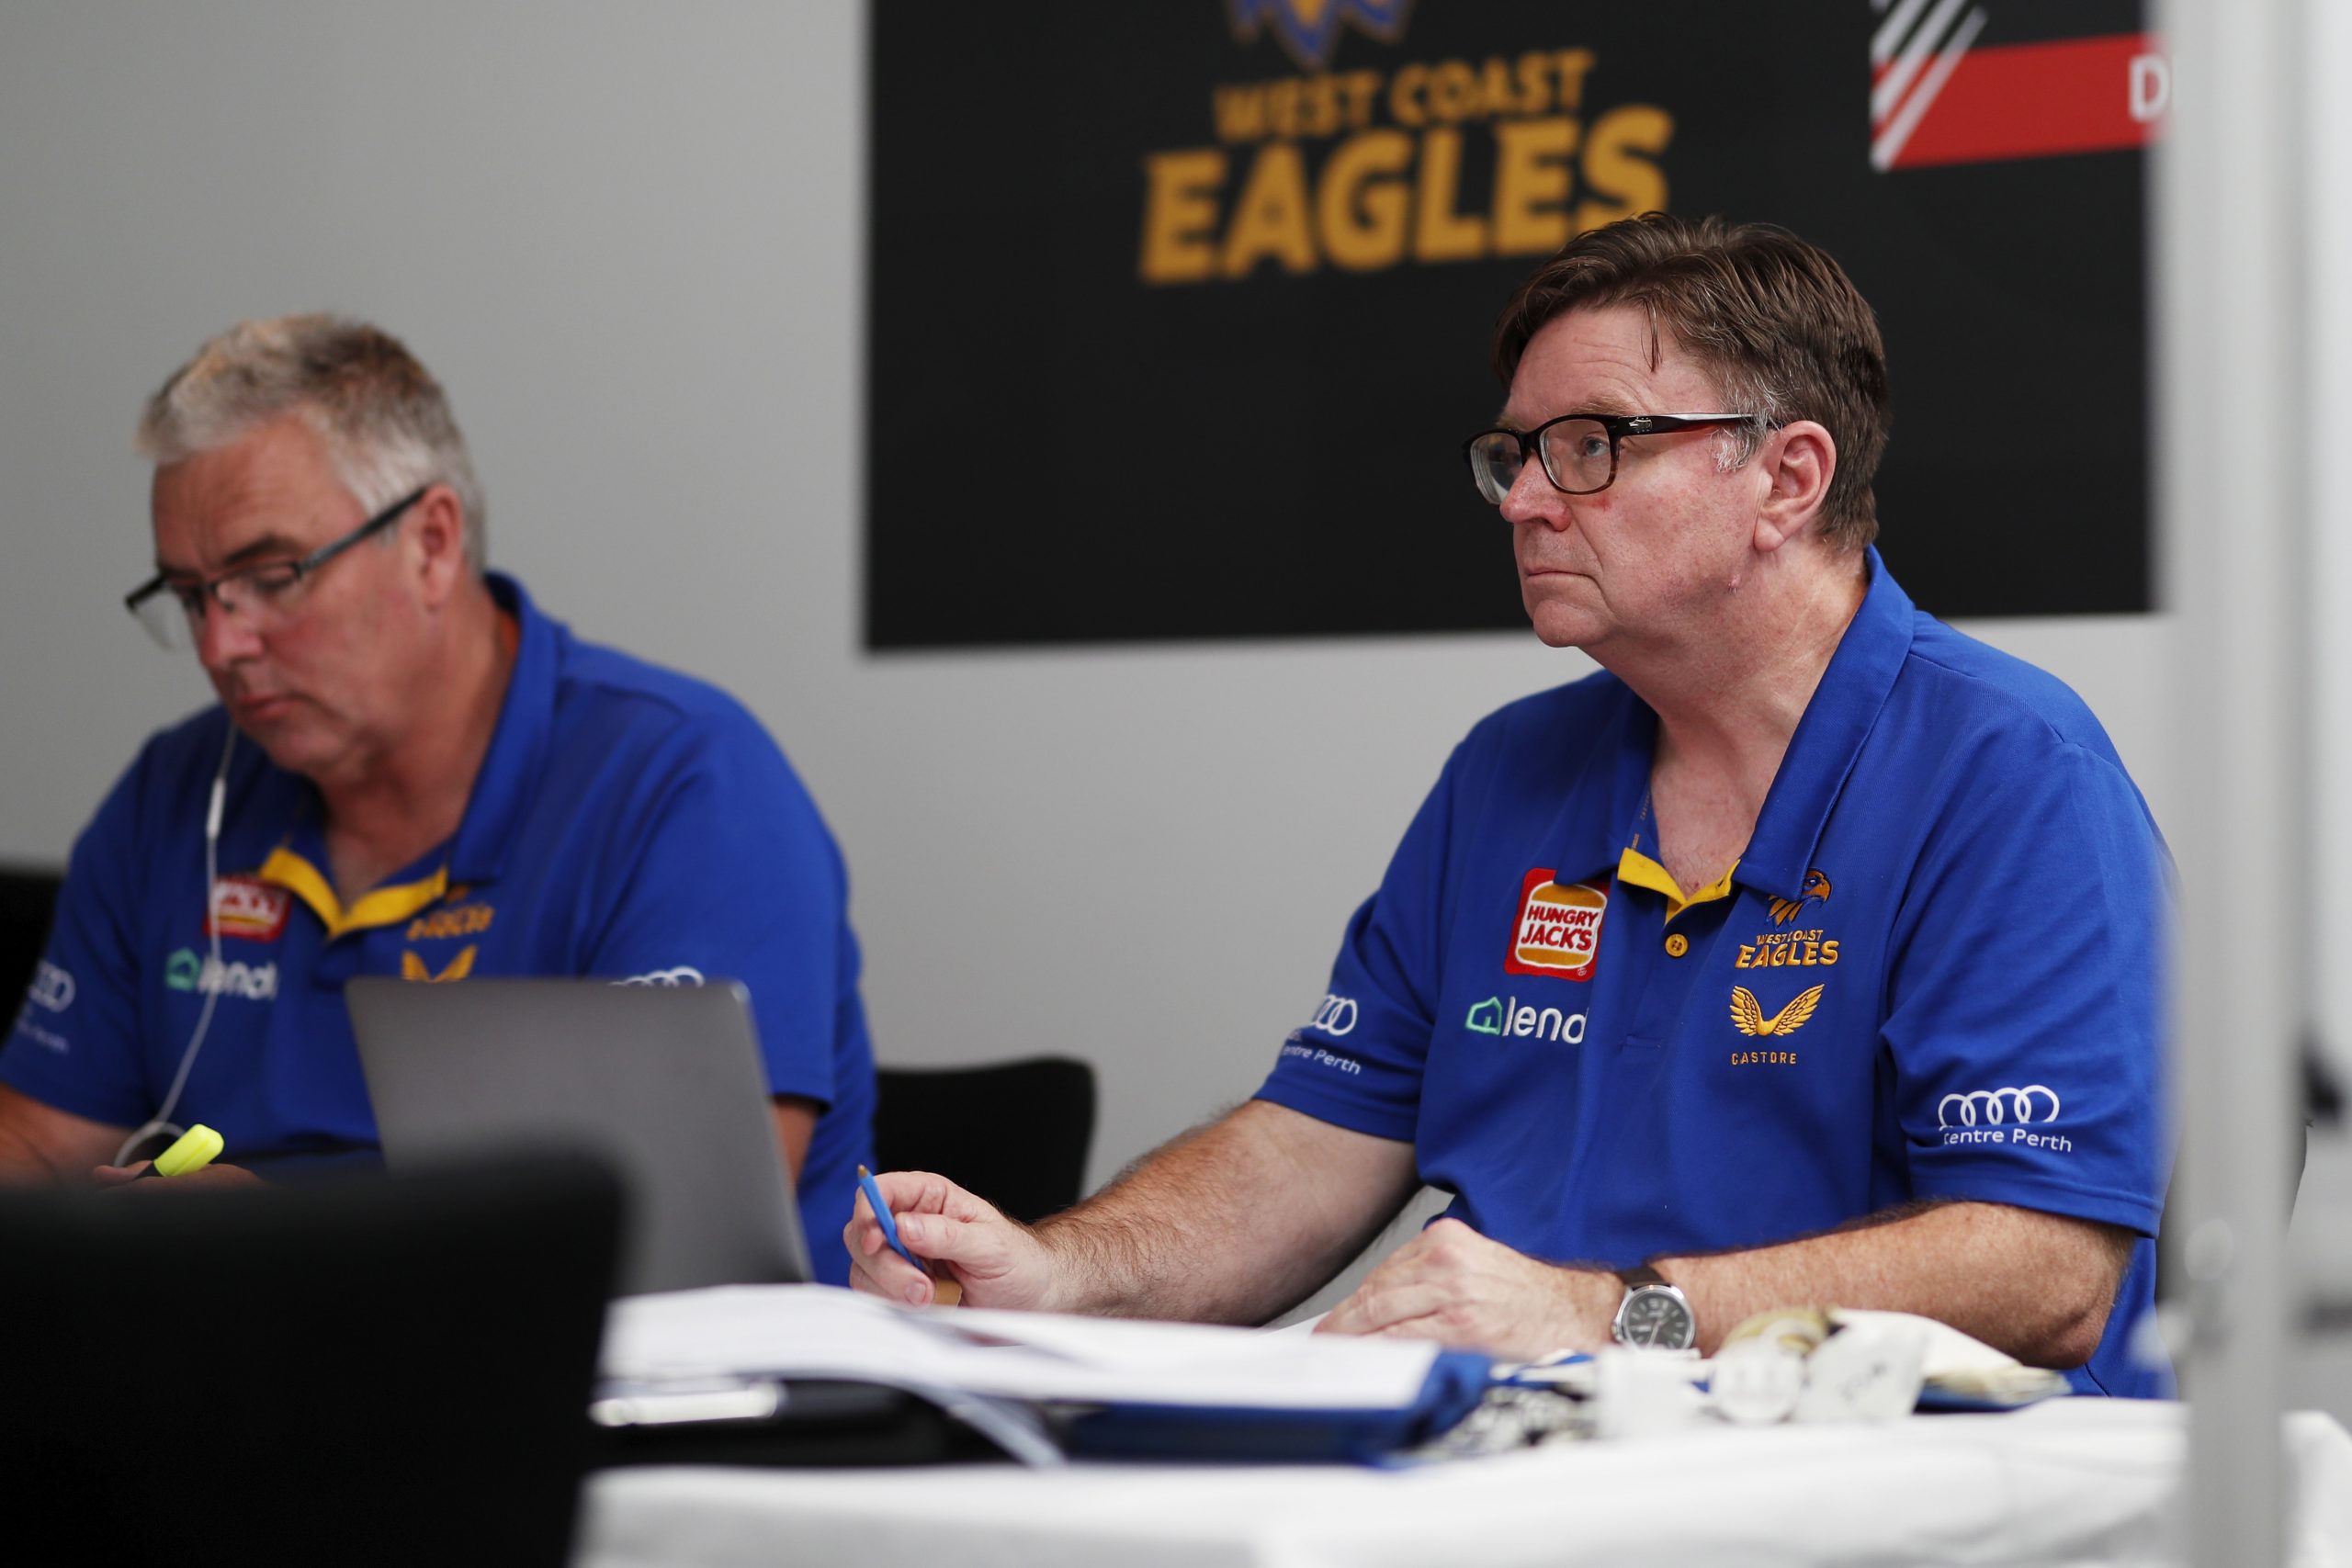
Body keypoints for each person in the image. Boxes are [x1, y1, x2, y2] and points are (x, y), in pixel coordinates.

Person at [850, 214, 2168, 1395]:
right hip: (1529, 1461)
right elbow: (1313, 1143)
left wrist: (1612, 1315)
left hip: (1887, 1488)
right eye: (1517, 454)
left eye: (1593, 446)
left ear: (1786, 478)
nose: (1527, 501)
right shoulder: (1511, 769)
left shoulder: (2009, 769)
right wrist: (1061, 1271)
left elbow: (2046, 1265)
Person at [0, 315, 877, 1285]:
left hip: (611, 1367)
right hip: (236, 1355)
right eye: (190, 594)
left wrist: (275, 1242)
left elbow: (677, 1228)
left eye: (268, 577)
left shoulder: (683, 783)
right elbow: (36, 1143)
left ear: (431, 543)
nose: (220, 646)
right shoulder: (175, 795)